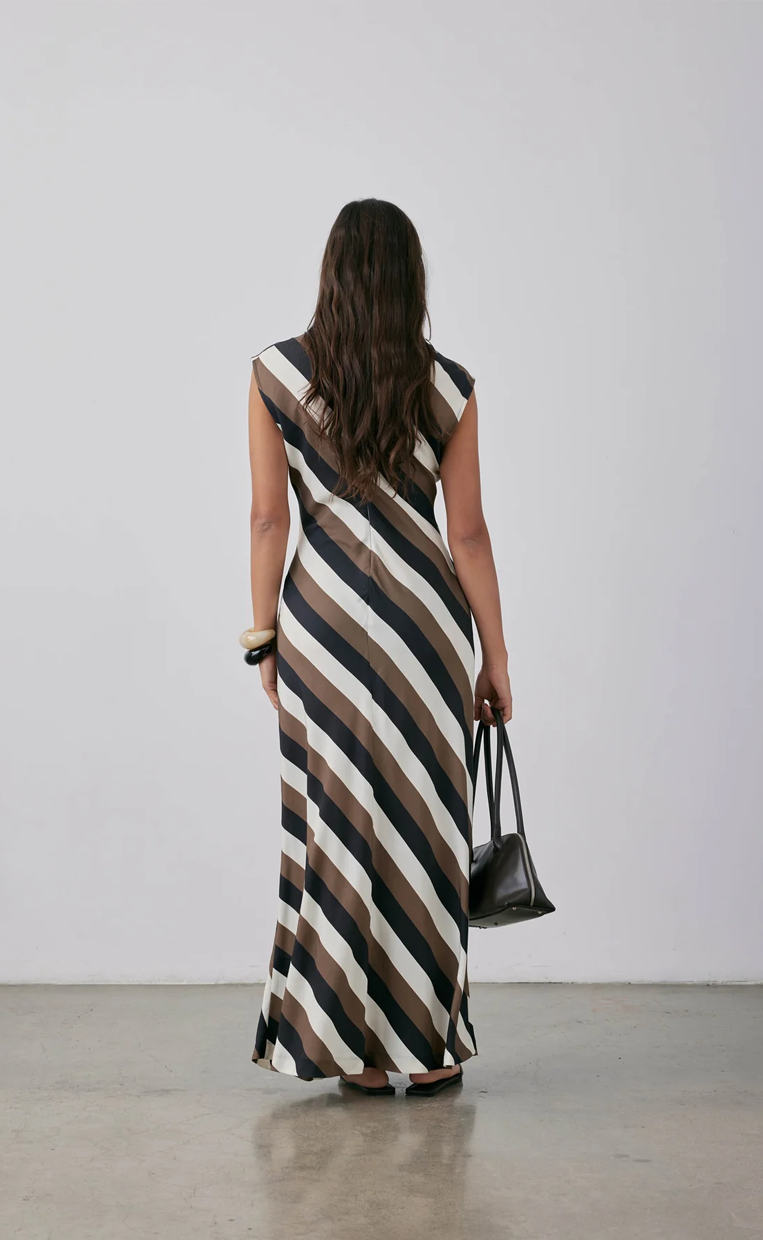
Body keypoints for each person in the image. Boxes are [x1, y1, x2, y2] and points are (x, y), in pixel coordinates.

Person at [245, 199, 512, 1097]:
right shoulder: (448, 387)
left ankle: (352, 1050)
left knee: (337, 825)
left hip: (321, 625)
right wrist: (495, 659)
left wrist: (262, 641)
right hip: (425, 629)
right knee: (425, 827)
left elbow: (268, 520)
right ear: (409, 278)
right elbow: (467, 535)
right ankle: (430, 1052)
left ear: (333, 274)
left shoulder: (277, 375)